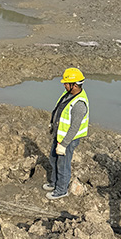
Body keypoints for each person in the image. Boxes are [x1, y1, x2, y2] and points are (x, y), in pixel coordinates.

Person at [44, 67, 89, 200]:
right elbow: (60, 110)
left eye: (66, 83)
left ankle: (61, 190)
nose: (64, 85)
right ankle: (54, 183)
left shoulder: (79, 104)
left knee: (63, 164)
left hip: (67, 140)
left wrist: (63, 144)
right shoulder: (69, 94)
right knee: (53, 159)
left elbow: (74, 127)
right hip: (59, 135)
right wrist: (53, 124)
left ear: (74, 85)